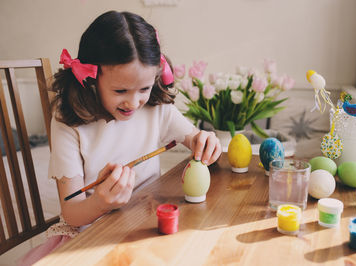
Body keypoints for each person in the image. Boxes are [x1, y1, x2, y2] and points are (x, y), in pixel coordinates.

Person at [18, 10, 221, 265]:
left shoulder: (156, 107)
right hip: (92, 236)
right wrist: (101, 203)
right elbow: (71, 212)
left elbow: (193, 137)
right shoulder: (68, 121)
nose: (134, 102)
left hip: (145, 225)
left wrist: (204, 141)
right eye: (120, 90)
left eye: (144, 89)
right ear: (91, 79)